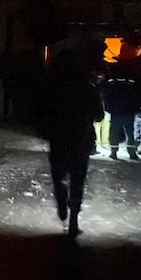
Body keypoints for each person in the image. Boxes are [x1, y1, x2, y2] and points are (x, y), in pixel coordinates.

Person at [38, 49, 105, 236]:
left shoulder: (51, 88)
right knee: (77, 179)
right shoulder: (87, 88)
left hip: (58, 139)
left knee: (59, 175)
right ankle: (74, 219)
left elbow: (41, 114)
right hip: (81, 140)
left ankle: (61, 199)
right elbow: (99, 116)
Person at [102, 67, 141, 160]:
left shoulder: (112, 83)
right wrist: (136, 109)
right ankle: (132, 153)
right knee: (130, 133)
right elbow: (136, 97)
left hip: (116, 113)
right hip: (128, 112)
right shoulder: (130, 84)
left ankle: (113, 152)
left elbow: (107, 97)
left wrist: (108, 109)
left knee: (114, 133)